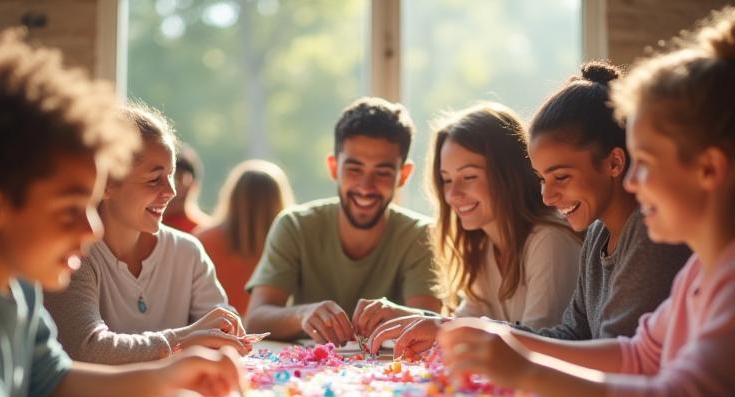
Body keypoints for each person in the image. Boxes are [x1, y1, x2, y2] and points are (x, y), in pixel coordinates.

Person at [0, 30, 243, 397]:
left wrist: (172, 374)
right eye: (70, 208)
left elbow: (56, 380)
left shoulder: (19, 286)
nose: (91, 227)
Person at [438, 7, 735, 397]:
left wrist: (523, 370)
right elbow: (636, 354)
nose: (634, 184)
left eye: (646, 164)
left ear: (709, 169)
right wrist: (501, 340)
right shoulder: (701, 270)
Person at [369, 103, 581, 357]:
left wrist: (435, 325)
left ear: (508, 174)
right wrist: (406, 317)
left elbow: (537, 347)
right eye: (446, 180)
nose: (453, 194)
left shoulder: (550, 241)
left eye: (468, 177)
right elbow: (462, 326)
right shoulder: (484, 246)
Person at [44, 103, 248, 365]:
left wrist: (226, 334)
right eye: (154, 179)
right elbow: (87, 348)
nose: (172, 191)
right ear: (106, 184)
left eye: (172, 175)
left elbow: (222, 332)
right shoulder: (75, 255)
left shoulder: (188, 252)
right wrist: (183, 339)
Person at [245, 97, 441, 345]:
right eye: (354, 168)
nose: (365, 186)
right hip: (308, 377)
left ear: (403, 175)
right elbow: (255, 319)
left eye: (382, 172)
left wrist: (400, 315)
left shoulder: (422, 235)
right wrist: (302, 314)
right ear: (333, 167)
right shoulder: (295, 225)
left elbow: (430, 326)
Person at [522, 62, 690, 341]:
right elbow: (574, 334)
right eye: (542, 179)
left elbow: (619, 354)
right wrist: (483, 331)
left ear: (614, 162)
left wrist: (501, 343)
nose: (547, 197)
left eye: (561, 177)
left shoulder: (649, 230)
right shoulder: (598, 234)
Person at [198, 159, 295, 315]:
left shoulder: (201, 242)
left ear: (231, 195)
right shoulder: (290, 247)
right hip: (271, 334)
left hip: (213, 331)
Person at [162, 143, 213, 233]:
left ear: (193, 185)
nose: (172, 190)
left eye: (179, 180)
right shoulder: (148, 227)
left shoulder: (205, 232)